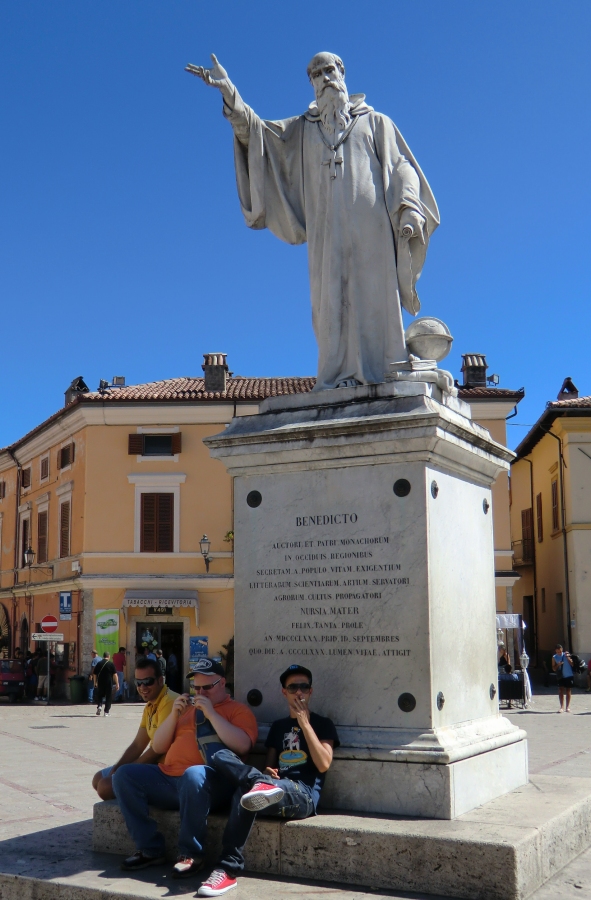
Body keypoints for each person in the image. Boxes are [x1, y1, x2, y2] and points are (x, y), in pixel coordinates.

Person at [187, 52, 439, 392]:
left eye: (329, 70)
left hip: (373, 230)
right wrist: (230, 92)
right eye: (316, 74)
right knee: (330, 301)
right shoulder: (301, 130)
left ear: (343, 73)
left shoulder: (376, 122)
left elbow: (402, 166)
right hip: (326, 232)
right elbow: (257, 134)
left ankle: (387, 369)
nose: (324, 78)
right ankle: (336, 376)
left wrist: (409, 206)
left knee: (376, 297)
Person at [195, 664, 339, 897]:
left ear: (311, 691)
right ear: (284, 692)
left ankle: (227, 869)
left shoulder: (323, 724)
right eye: (293, 687)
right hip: (272, 787)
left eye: (304, 687)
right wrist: (268, 774)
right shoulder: (279, 727)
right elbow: (269, 767)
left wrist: (304, 723)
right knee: (223, 757)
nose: (298, 692)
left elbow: (323, 763)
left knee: (247, 792)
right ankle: (258, 785)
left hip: (302, 793)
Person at [112, 657, 258, 882]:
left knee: (193, 774)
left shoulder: (237, 710)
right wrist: (174, 716)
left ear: (222, 684)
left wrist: (211, 714)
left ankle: (191, 854)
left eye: (206, 687)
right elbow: (159, 746)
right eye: (196, 687)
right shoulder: (188, 710)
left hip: (211, 783)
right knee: (124, 775)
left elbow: (243, 745)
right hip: (171, 779)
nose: (201, 692)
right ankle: (150, 849)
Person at [92, 656, 179, 800]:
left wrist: (125, 772)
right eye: (138, 683)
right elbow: (138, 744)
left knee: (105, 787)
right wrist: (116, 769)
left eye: (148, 682)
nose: (142, 687)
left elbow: (158, 750)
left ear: (160, 681)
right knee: (98, 779)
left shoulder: (169, 702)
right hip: (155, 764)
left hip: (166, 769)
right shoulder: (150, 705)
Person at [94, 652, 118, 717]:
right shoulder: (111, 664)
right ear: (109, 656)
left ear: (103, 656)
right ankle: (106, 712)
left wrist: (95, 682)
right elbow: (115, 675)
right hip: (108, 682)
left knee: (100, 695)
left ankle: (99, 706)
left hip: (100, 681)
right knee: (108, 696)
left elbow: (95, 674)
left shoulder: (99, 663)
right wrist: (117, 683)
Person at [552, 644, 574, 713]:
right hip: (560, 676)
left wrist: (568, 658)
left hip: (569, 675)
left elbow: (572, 664)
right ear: (555, 651)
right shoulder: (554, 657)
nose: (559, 653)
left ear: (562, 649)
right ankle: (561, 707)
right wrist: (558, 664)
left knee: (568, 690)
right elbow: (553, 668)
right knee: (560, 691)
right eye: (558, 652)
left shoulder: (566, 654)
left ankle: (568, 707)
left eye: (560, 651)